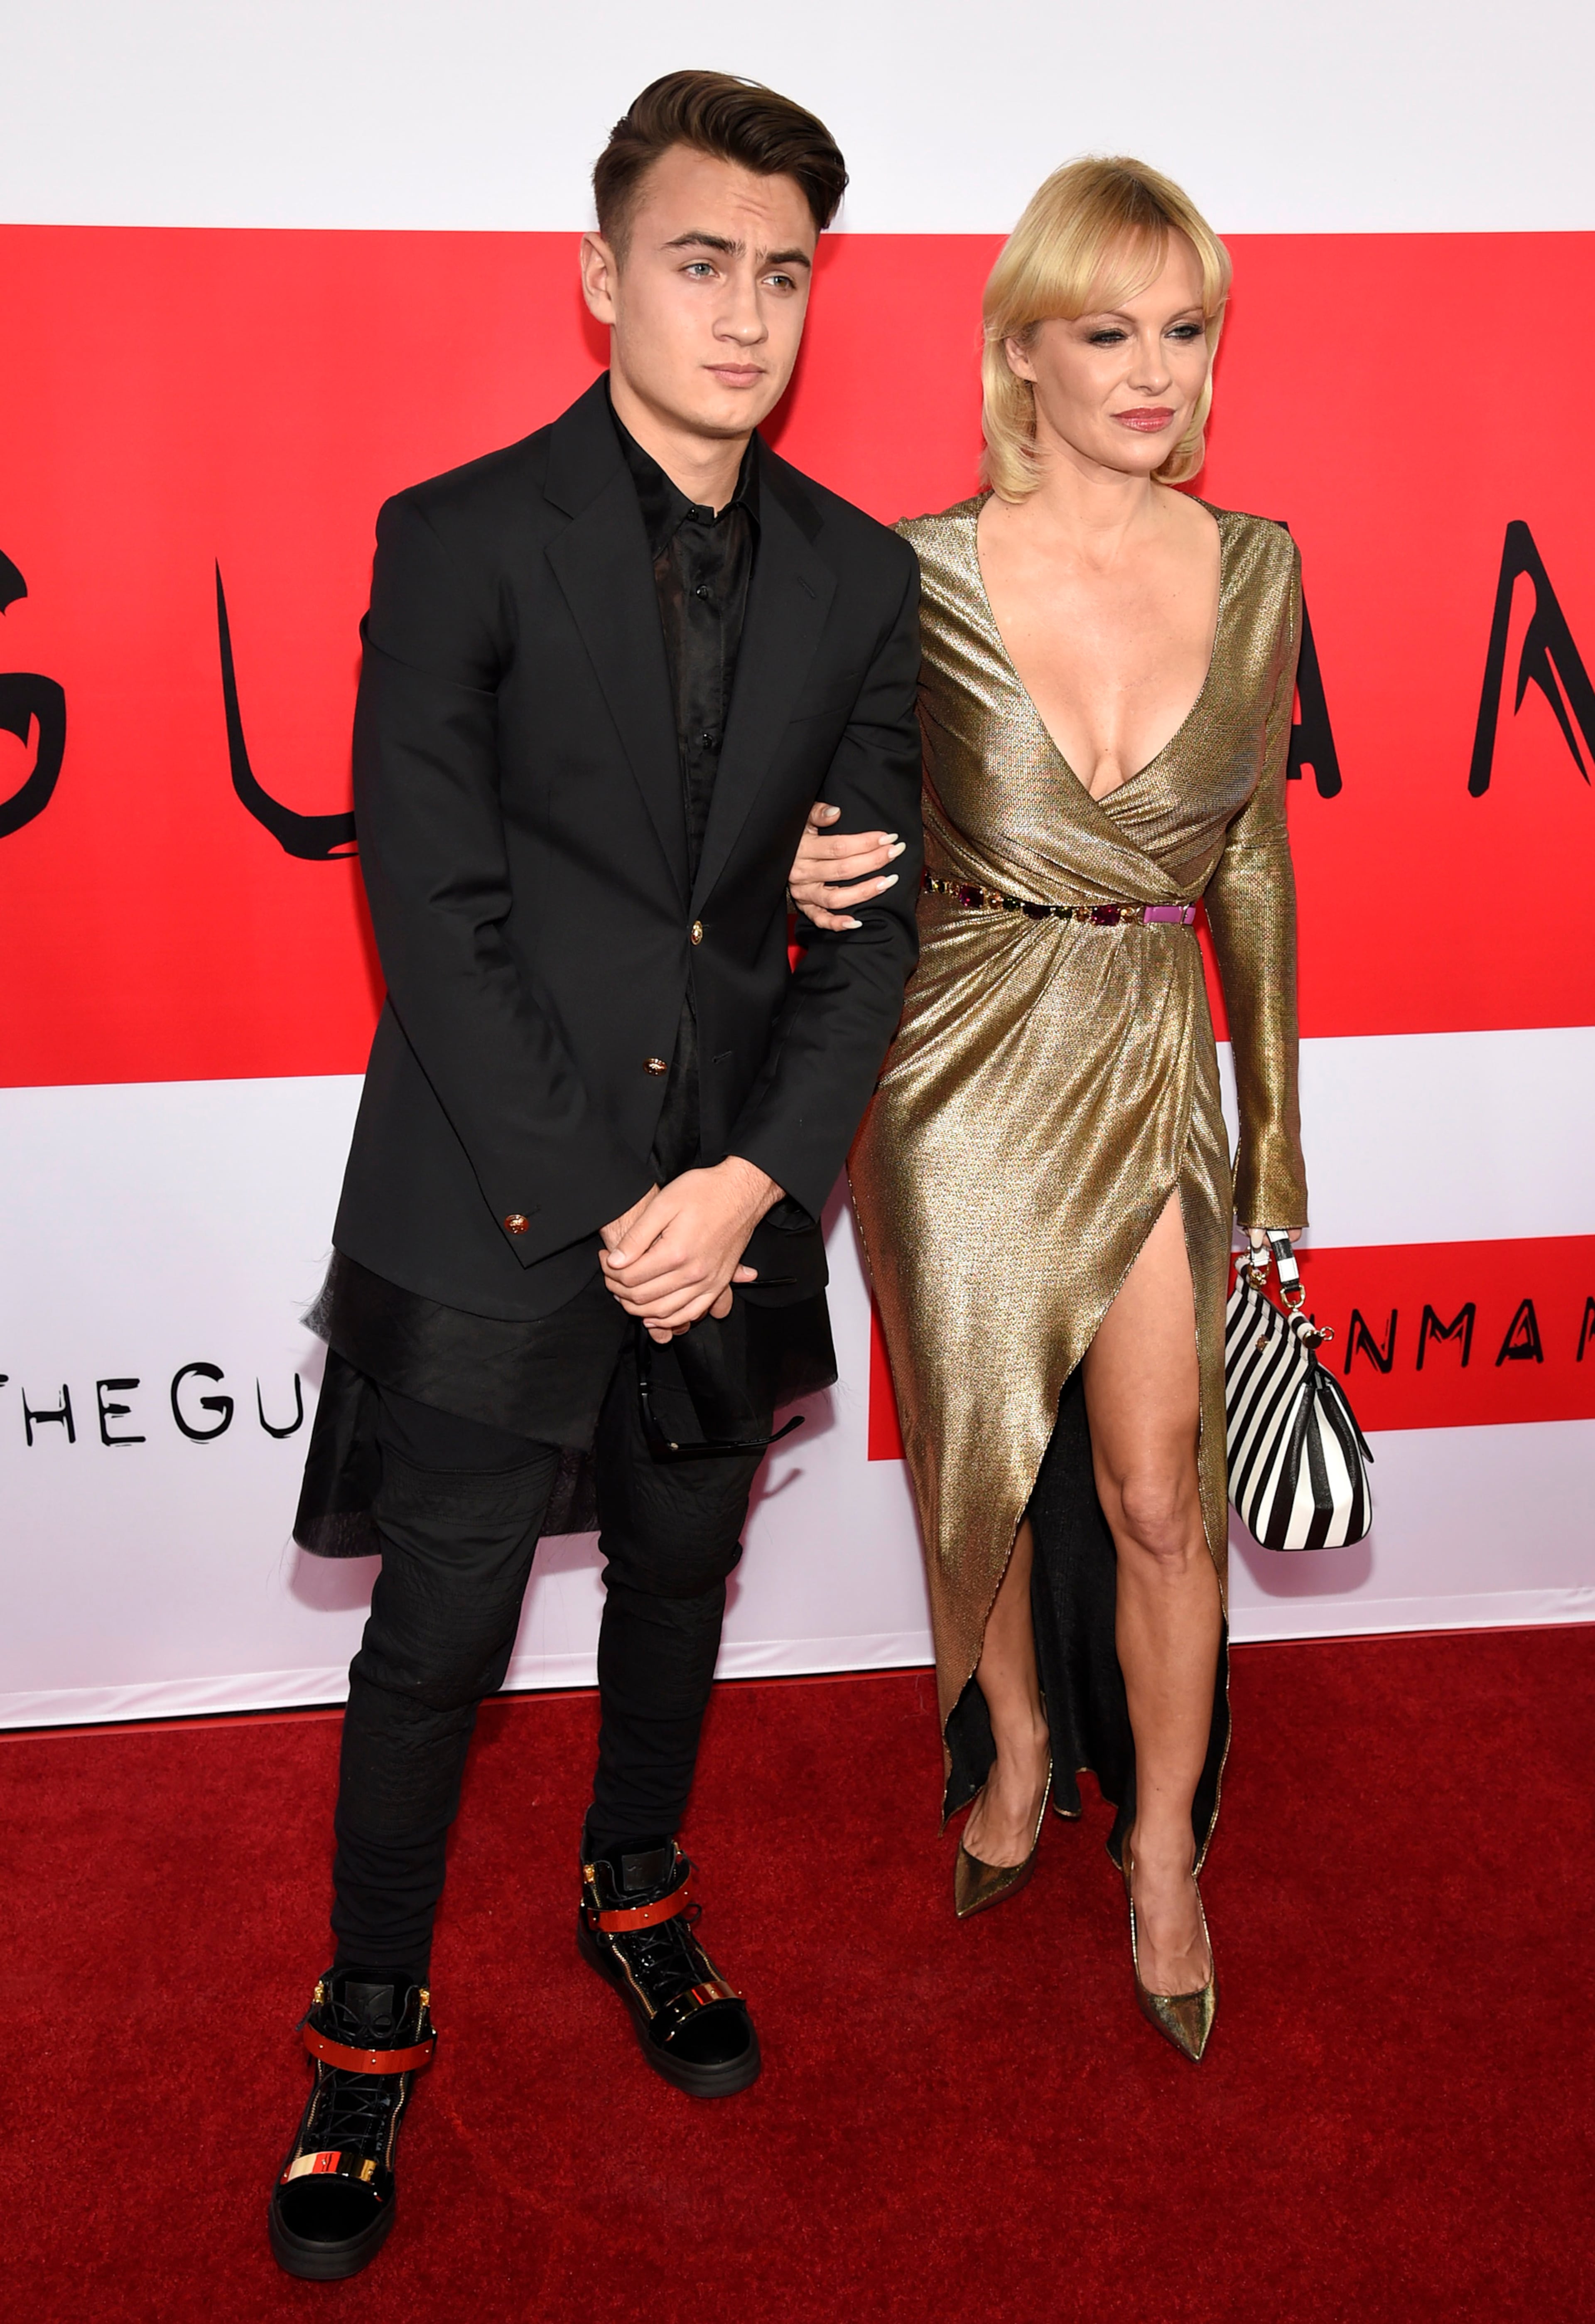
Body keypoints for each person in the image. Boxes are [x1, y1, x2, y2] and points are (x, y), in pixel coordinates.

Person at [271, 71, 922, 2279]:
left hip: (732, 1200)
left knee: (676, 1581)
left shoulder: (858, 575)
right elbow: (432, 911)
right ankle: (364, 2040)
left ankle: (638, 1891)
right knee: (434, 1638)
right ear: (602, 276)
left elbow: (880, 915)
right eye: (699, 263)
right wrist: (610, 1201)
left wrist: (747, 1186)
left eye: (783, 274)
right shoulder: (454, 534)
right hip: (493, 1192)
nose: (744, 314)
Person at [792, 157, 1306, 2063]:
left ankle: (1165, 1845)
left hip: (1150, 1039)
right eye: (1111, 332)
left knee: (1162, 1494)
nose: (1155, 372)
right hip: (956, 1058)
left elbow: (1251, 868)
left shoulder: (1257, 567)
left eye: (1186, 330)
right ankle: (1013, 1748)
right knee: (980, 1476)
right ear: (1025, 352)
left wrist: (1277, 1153)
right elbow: (811, 809)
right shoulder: (904, 572)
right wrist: (797, 874)